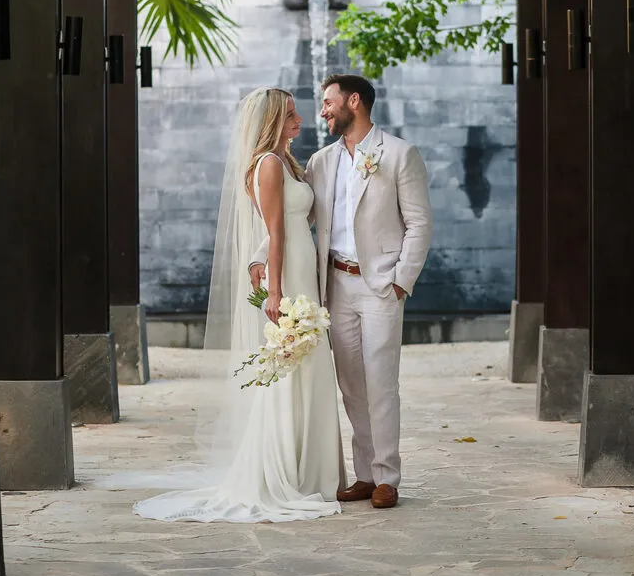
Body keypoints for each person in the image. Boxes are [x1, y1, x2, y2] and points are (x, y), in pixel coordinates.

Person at [134, 87, 346, 524]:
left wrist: (259, 259)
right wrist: (274, 290)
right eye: (289, 115)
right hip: (289, 275)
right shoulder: (267, 164)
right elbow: (276, 229)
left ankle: (313, 472)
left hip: (301, 268)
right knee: (292, 367)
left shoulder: (286, 162)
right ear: (270, 120)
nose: (299, 120)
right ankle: (288, 472)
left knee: (309, 366)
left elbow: (286, 224)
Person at [251, 75, 432, 509]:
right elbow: (295, 219)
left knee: (381, 382)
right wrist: (259, 256)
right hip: (333, 285)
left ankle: (388, 477)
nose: (323, 111)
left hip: (380, 286)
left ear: (355, 102)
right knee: (351, 385)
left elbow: (420, 224)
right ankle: (365, 475)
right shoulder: (320, 161)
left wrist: (400, 281)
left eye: (330, 102)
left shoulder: (400, 155)